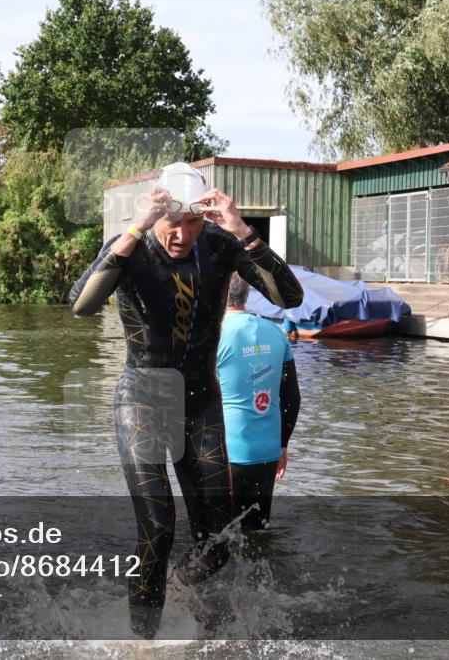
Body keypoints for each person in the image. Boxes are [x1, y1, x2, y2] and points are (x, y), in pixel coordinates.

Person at [69, 162, 303, 637]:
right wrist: (134, 227)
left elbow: (290, 297)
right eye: (171, 223)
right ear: (156, 216)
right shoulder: (131, 246)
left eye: (191, 223)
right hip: (145, 397)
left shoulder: (220, 245)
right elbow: (81, 305)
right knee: (158, 526)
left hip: (200, 401)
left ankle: (173, 591)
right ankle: (143, 641)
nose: (181, 235)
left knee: (220, 538)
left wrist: (240, 229)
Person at [217, 273, 301, 533]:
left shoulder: (214, 336)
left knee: (220, 536)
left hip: (228, 453)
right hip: (268, 450)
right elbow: (292, 398)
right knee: (258, 534)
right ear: (247, 294)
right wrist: (283, 445)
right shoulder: (276, 333)